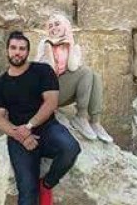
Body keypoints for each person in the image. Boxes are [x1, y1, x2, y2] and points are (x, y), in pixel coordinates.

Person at [0, 30, 81, 205]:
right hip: (19, 139)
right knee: (26, 191)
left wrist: (29, 127)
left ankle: (47, 184)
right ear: (7, 51)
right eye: (13, 48)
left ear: (27, 51)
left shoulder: (42, 71)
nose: (17, 52)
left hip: (46, 129)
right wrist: (21, 135)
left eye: (22, 48)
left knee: (71, 148)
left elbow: (51, 102)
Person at [36, 13, 113, 143]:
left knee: (95, 76)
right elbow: (50, 73)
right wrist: (49, 48)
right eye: (50, 26)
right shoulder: (44, 44)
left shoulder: (74, 47)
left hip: (62, 92)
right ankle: (81, 116)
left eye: (57, 24)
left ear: (66, 26)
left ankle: (95, 122)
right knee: (86, 71)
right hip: (47, 94)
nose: (53, 28)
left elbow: (72, 67)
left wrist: (70, 44)